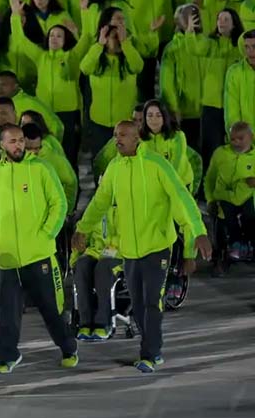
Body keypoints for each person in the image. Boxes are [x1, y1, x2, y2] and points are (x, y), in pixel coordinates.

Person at [74, 121, 211, 373]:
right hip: (129, 250)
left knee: (152, 302)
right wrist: (82, 228)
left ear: (138, 137)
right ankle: (150, 348)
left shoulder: (157, 165)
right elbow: (99, 203)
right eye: (116, 135)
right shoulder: (115, 168)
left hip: (157, 246)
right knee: (137, 305)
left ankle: (150, 353)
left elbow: (182, 199)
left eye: (123, 135)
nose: (118, 139)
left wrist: (198, 232)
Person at [0, 124, 77, 374]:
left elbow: (59, 204)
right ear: (2, 144)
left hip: (39, 254)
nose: (18, 145)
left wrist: (46, 235)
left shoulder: (41, 169)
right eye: (12, 141)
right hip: (7, 257)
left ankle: (68, 347)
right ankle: (8, 355)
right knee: (9, 312)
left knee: (50, 308)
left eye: (21, 140)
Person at [8, 0, 90, 168]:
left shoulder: (72, 57)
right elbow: (20, 40)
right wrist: (15, 15)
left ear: (66, 40)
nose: (54, 38)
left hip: (68, 112)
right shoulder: (41, 57)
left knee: (68, 155)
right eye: (52, 34)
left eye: (59, 35)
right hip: (45, 113)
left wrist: (84, 11)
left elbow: (87, 37)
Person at [80, 8, 144, 157]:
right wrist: (99, 45)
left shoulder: (129, 52)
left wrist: (125, 43)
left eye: (123, 19)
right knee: (100, 162)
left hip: (125, 123)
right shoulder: (96, 55)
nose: (116, 40)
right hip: (99, 122)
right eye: (113, 37)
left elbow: (138, 66)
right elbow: (84, 68)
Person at [186, 8, 244, 166]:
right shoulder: (211, 44)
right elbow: (195, 49)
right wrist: (190, 32)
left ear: (234, 24)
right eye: (219, 19)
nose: (221, 22)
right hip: (211, 105)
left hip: (233, 107)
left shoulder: (240, 48)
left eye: (226, 19)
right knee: (210, 149)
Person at [204, 122, 255, 266]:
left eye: (240, 138)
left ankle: (247, 247)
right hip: (224, 198)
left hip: (247, 198)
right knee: (224, 216)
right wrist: (210, 200)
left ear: (251, 137)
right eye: (232, 139)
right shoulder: (221, 153)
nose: (236, 142)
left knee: (250, 215)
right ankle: (226, 252)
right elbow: (209, 179)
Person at [71, 206, 122, 343]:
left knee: (102, 268)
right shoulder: (96, 207)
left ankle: (103, 323)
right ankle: (84, 323)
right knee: (82, 266)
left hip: (119, 254)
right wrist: (75, 259)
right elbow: (83, 232)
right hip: (96, 251)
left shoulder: (127, 203)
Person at [160, 4, 206, 148]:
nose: (193, 20)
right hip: (184, 114)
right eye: (188, 17)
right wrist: (173, 109)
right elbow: (167, 84)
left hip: (207, 112)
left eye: (195, 16)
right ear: (179, 22)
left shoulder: (207, 45)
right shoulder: (172, 49)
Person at [23, 122, 79, 210]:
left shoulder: (52, 159)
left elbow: (71, 182)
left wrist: (67, 210)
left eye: (37, 148)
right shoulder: (10, 160)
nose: (33, 153)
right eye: (28, 148)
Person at [139, 99, 193, 189]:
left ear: (165, 116)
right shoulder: (139, 137)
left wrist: (163, 185)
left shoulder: (178, 136)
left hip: (178, 183)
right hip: (151, 185)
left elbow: (177, 165)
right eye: (150, 115)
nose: (154, 120)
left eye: (158, 115)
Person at [223, 29, 255, 135]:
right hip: (245, 143)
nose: (250, 52)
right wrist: (238, 138)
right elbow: (231, 111)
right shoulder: (234, 72)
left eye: (254, 46)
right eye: (247, 47)